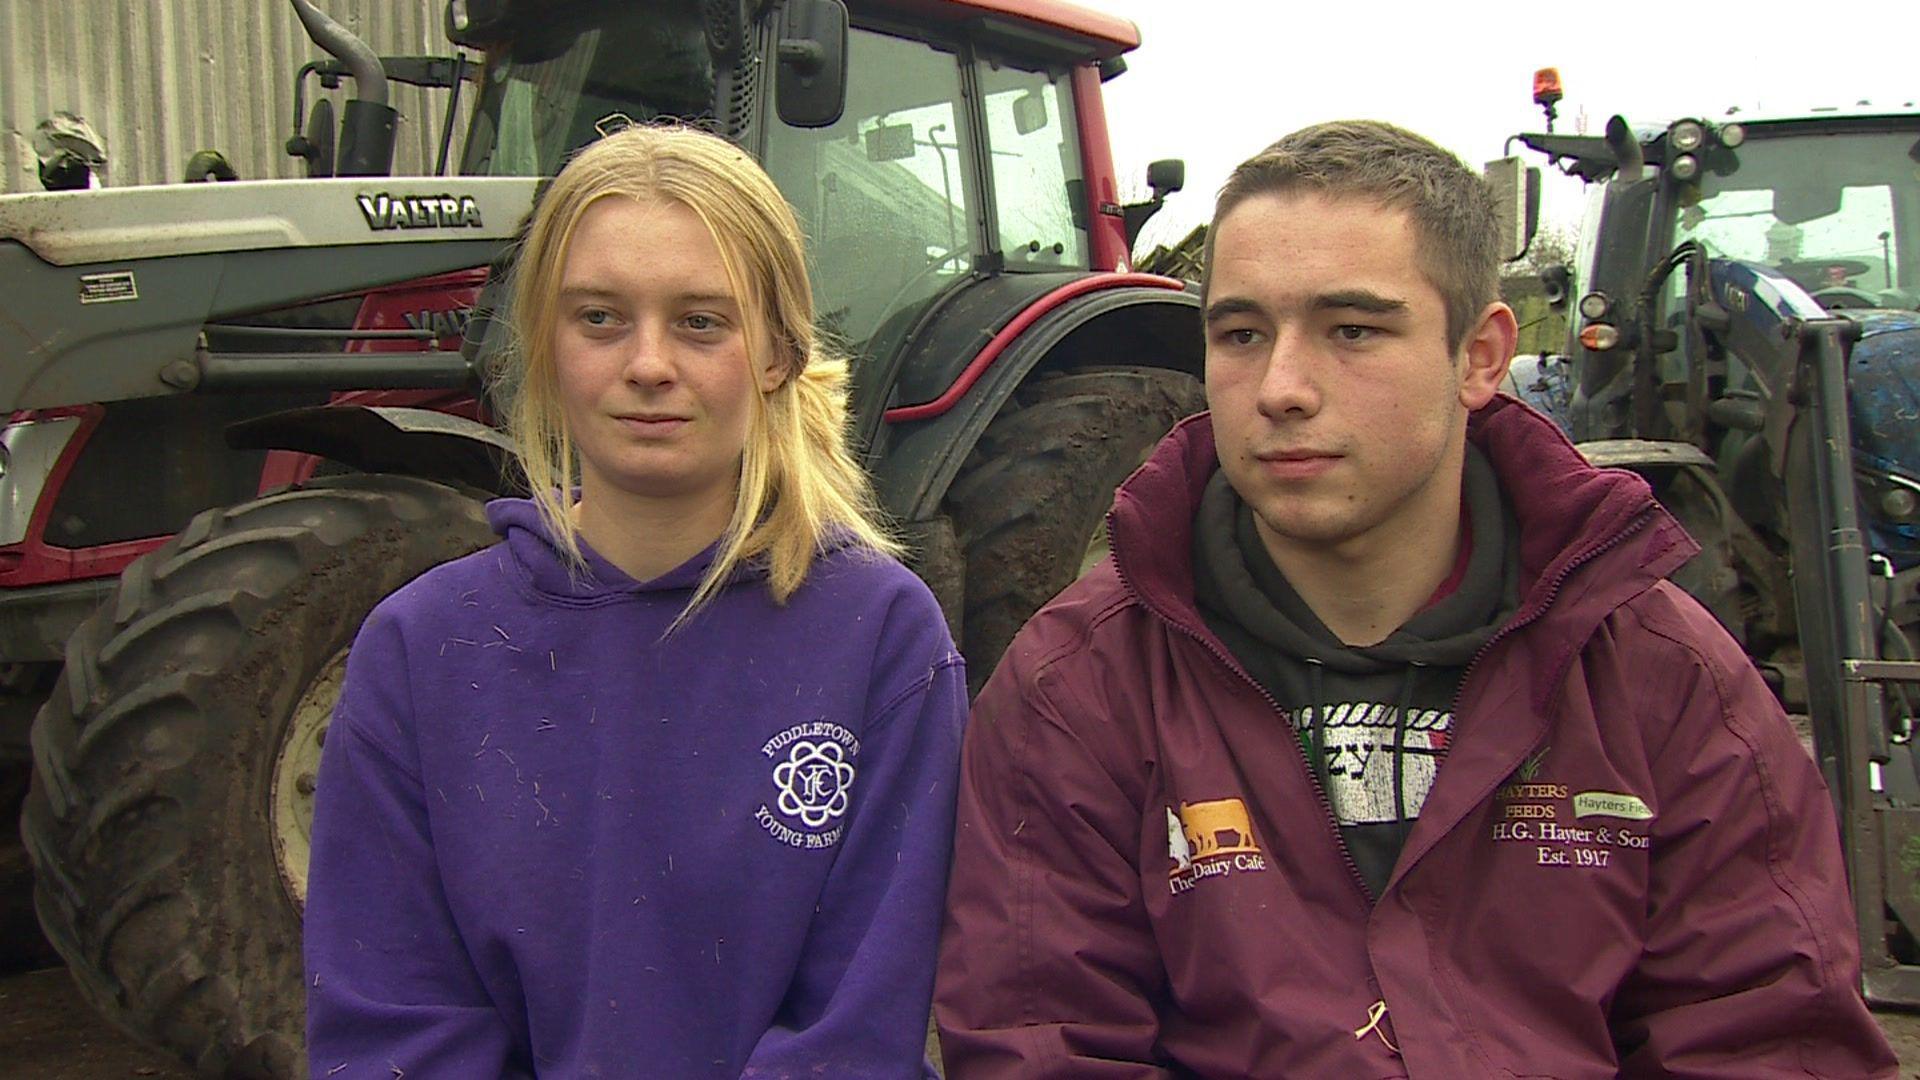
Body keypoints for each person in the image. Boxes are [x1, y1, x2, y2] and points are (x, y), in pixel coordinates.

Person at [935, 121, 1895, 1077]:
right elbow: (1044, 1044)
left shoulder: (1657, 672)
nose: (1280, 387)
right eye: (1239, 333)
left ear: (1480, 356)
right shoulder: (1080, 687)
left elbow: (1770, 1037)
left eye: (1353, 329)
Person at [305, 123, 966, 1078]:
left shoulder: (880, 639)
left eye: (701, 321)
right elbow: (393, 1029)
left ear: (778, 352)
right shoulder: (419, 649)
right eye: (600, 318)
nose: (648, 364)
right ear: (545, 341)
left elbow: (855, 1031)